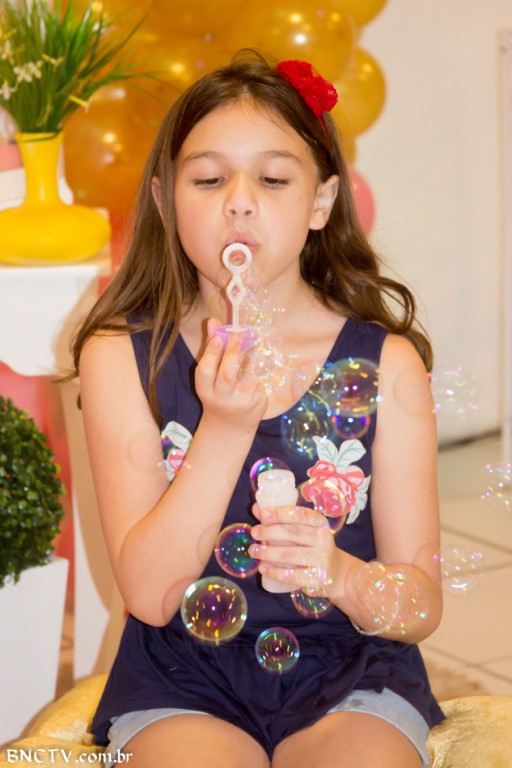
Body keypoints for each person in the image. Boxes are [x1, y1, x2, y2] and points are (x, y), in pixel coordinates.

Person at [72, 49, 444, 768]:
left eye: (273, 178)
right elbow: (151, 594)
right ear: (164, 202)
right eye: (209, 179)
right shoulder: (120, 354)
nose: (239, 201)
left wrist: (340, 574)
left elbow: (420, 605)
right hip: (180, 673)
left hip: (354, 669)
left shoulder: (385, 362)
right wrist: (225, 427)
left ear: (321, 203)